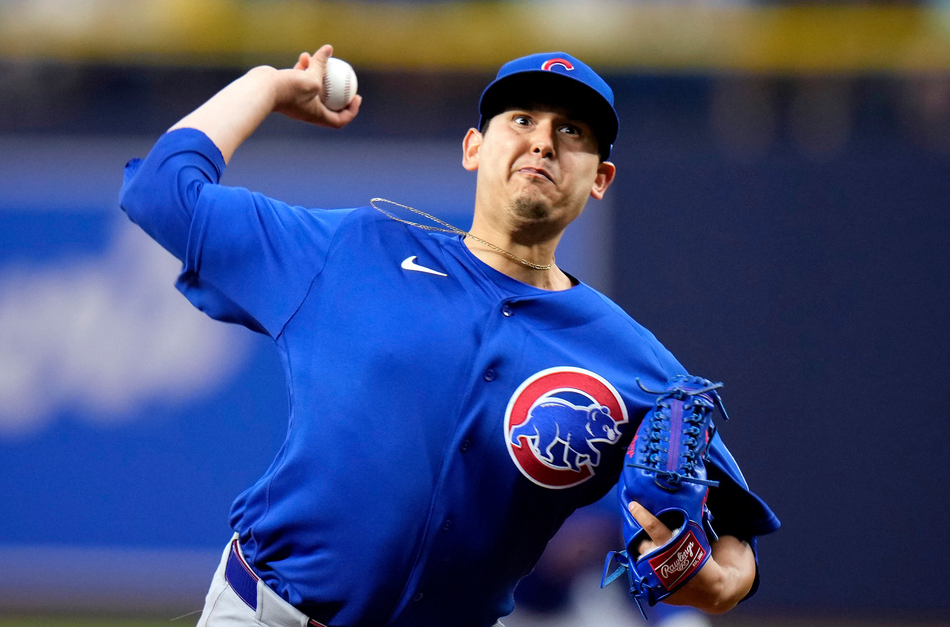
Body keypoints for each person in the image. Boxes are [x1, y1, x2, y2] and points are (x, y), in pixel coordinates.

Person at [119, 45, 779, 627]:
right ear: (474, 148)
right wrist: (265, 85)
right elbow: (161, 192)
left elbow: (738, 544)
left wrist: (713, 581)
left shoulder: (635, 365)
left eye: (570, 131)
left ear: (600, 179)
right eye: (521, 120)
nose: (543, 142)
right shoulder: (351, 250)